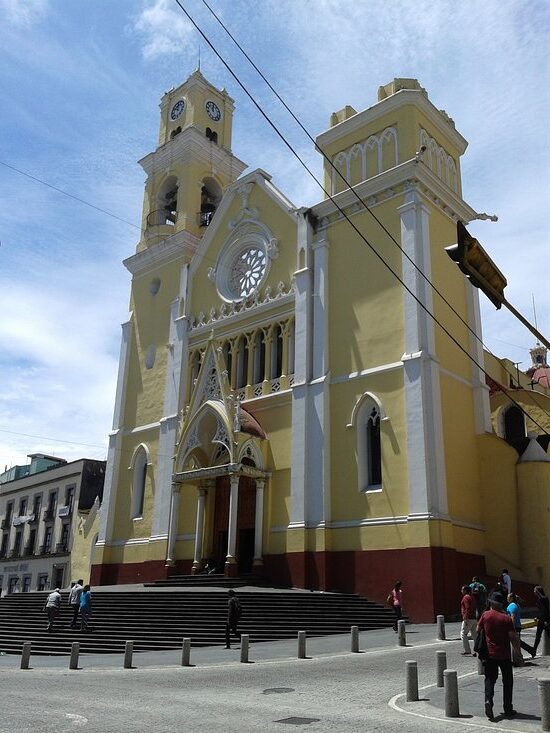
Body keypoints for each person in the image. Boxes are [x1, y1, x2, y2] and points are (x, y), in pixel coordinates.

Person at [477, 591, 523, 721]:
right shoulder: (506, 618)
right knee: (508, 681)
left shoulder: (485, 615)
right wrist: (519, 655)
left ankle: (488, 701)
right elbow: (513, 638)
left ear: (491, 603)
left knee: (490, 679)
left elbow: (477, 630)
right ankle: (507, 708)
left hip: (490, 655)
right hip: (504, 655)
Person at [532, 585, 550, 656]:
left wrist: (545, 620)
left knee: (541, 635)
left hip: (545, 620)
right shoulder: (540, 599)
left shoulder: (543, 599)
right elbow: (541, 611)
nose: (534, 592)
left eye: (535, 590)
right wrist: (537, 617)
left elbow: (545, 610)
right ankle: (534, 650)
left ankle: (534, 651)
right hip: (542, 620)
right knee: (538, 636)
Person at [460, 585, 477, 655]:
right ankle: (477, 649)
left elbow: (467, 608)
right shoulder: (472, 597)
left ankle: (467, 650)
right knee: (475, 635)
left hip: (468, 618)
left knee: (463, 634)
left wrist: (465, 618)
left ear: (465, 591)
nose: (461, 591)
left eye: (462, 589)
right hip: (474, 618)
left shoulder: (465, 598)